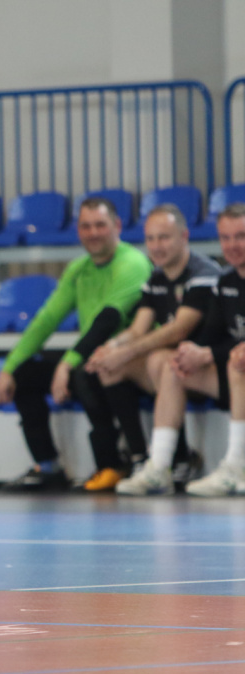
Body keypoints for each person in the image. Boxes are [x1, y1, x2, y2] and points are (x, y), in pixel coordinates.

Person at [0, 197, 152, 491]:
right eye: (86, 226)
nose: (93, 233)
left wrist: (67, 363)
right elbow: (46, 320)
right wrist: (9, 367)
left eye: (100, 225)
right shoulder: (79, 269)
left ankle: (111, 464)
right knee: (25, 375)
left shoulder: (132, 263)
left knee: (84, 373)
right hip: (91, 355)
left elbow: (106, 323)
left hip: (128, 360)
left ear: (117, 226)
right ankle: (48, 466)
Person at [84, 205, 219, 490]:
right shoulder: (156, 278)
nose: (156, 246)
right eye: (151, 239)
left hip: (208, 367)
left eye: (164, 237)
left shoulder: (203, 274)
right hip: (178, 368)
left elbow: (178, 330)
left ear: (184, 236)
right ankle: (140, 459)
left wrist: (127, 351)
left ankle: (177, 461)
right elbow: (137, 330)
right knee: (111, 367)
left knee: (160, 360)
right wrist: (110, 347)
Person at [115, 203, 245, 496]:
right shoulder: (225, 281)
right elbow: (213, 334)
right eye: (225, 238)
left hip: (238, 369)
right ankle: (160, 466)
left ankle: (236, 465)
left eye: (240, 236)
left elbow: (200, 338)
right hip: (233, 372)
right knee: (172, 364)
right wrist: (195, 352)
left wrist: (210, 353)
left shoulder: (205, 274)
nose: (232, 245)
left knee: (238, 361)